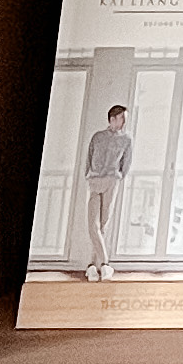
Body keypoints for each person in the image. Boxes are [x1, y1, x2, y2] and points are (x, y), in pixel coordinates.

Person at [79, 102, 134, 274]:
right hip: (95, 181)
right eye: (121, 118)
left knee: (103, 224)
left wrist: (116, 177)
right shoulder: (97, 136)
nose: (124, 122)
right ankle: (104, 263)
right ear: (112, 119)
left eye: (125, 118)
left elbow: (126, 165)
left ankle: (93, 266)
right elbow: (88, 157)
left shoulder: (126, 140)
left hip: (112, 181)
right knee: (93, 224)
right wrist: (89, 174)